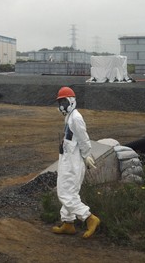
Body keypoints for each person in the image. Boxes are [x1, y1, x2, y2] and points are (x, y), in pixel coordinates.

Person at [51, 86, 101, 239]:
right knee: (69, 192)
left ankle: (89, 218)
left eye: (64, 102)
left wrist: (87, 155)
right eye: (60, 102)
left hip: (73, 162)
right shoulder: (70, 117)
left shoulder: (76, 118)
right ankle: (68, 224)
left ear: (71, 101)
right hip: (67, 158)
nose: (61, 106)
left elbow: (83, 138)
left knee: (65, 193)